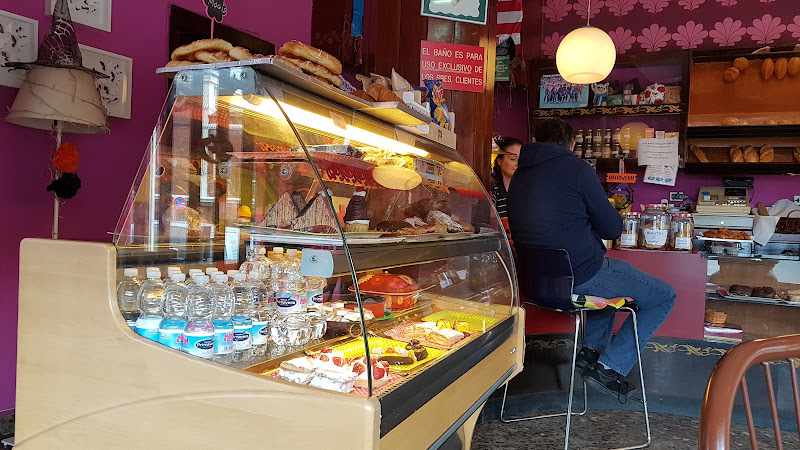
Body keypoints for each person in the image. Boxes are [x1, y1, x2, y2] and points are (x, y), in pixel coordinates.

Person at [508, 119, 675, 398]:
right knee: (663, 295)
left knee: (606, 287)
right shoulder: (577, 169)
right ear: (571, 143)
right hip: (580, 276)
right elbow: (612, 228)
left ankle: (590, 354)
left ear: (536, 140)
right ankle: (610, 366)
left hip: (535, 285)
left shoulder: (520, 175)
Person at [491, 136, 522, 220]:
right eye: (513, 159)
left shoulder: (528, 190)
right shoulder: (493, 190)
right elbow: (488, 223)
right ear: (499, 161)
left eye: (521, 159)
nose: (517, 164)